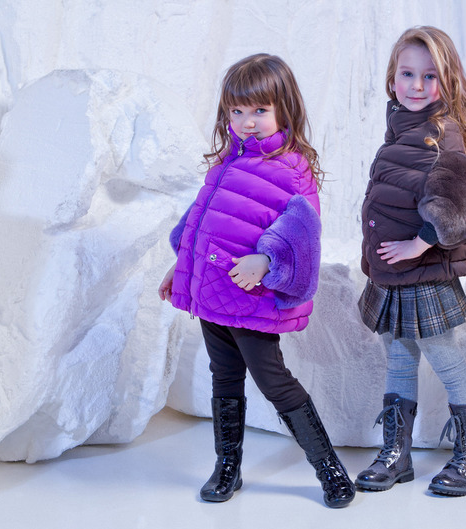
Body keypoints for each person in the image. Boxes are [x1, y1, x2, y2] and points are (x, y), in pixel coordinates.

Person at [158, 53, 355, 508]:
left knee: (274, 381)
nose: (247, 122)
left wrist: (266, 262)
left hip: (251, 299)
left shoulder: (292, 170)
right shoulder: (226, 162)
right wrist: (180, 266)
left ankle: (329, 469)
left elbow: (302, 235)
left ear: (285, 109)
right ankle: (227, 466)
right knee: (224, 377)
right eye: (237, 110)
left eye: (260, 110)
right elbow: (201, 222)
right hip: (212, 294)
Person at [355, 26, 466, 497]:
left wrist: (420, 244)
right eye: (407, 73)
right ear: (392, 78)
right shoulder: (400, 129)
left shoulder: (441, 134)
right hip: (393, 273)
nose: (416, 85)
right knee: (399, 357)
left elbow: (462, 204)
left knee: (444, 356)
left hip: (424, 274)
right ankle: (397, 456)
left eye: (430, 76)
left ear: (447, 81)